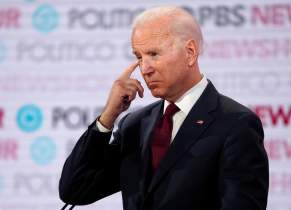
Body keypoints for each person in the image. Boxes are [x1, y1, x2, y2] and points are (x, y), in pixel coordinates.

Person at [59, 6, 269, 210]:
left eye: (154, 54)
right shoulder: (135, 125)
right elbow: (75, 190)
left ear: (190, 52)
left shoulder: (235, 123)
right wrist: (107, 118)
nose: (145, 68)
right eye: (139, 57)